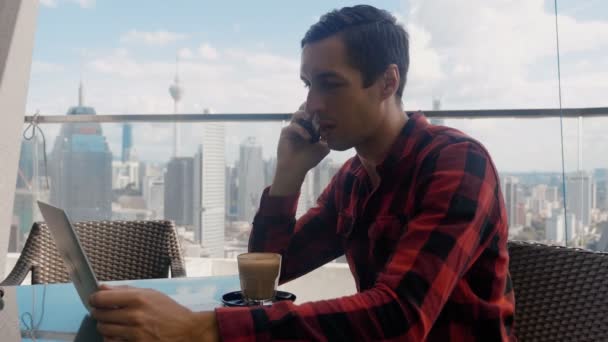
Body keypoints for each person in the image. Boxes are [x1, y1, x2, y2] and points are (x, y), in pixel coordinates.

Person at [90, 5, 516, 341]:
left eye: (329, 84)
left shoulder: (457, 163)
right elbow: (270, 272)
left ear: (388, 82)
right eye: (307, 84)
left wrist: (203, 329)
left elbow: (400, 317)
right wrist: (288, 174)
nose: (312, 103)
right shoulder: (353, 180)